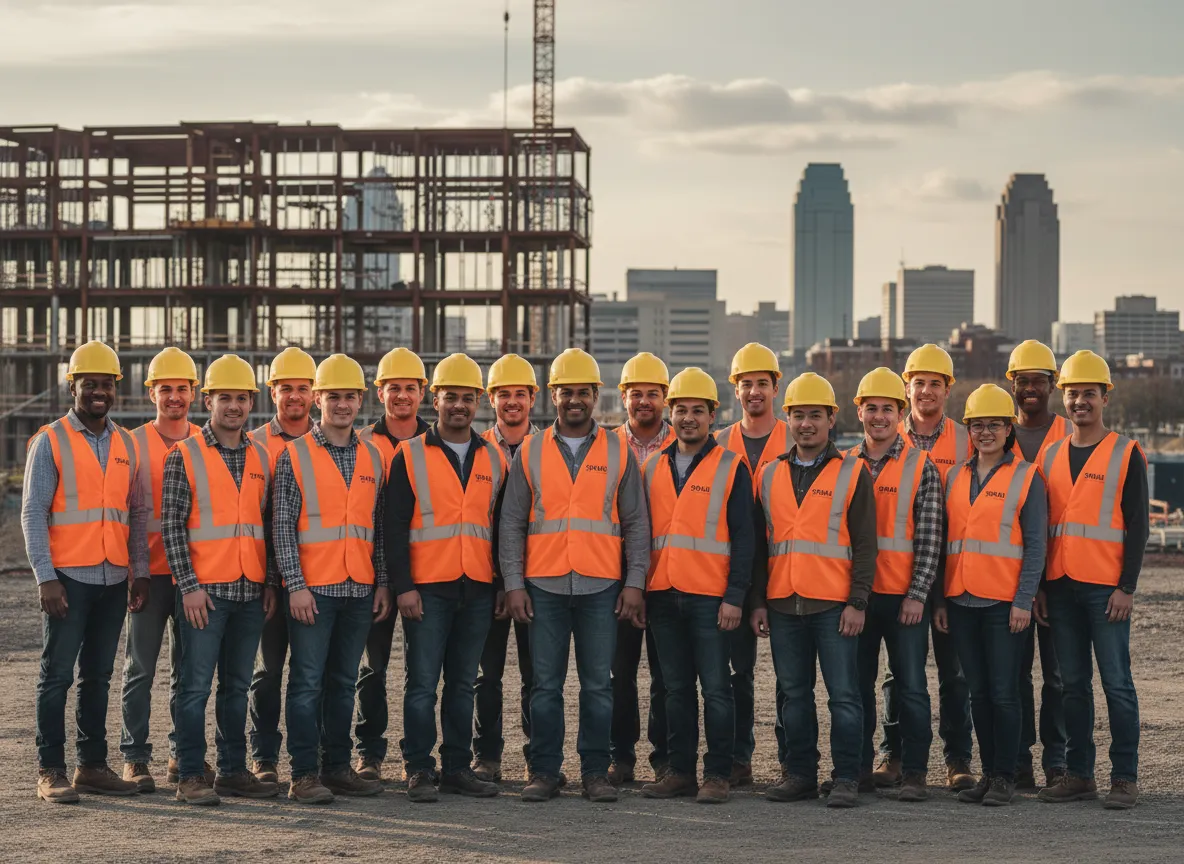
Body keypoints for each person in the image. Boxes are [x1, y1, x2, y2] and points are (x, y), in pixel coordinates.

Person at [500, 348, 649, 803]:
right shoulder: (531, 449)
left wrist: (635, 582)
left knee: (597, 686)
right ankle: (544, 771)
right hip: (542, 585)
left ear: (595, 395)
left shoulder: (618, 450)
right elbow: (511, 522)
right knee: (544, 686)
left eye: (583, 393)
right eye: (567, 393)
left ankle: (594, 773)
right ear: (554, 396)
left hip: (600, 586)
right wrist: (513, 584)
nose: (575, 401)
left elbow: (637, 522)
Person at [24, 341, 149, 802]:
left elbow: (135, 513)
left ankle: (92, 766)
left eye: (106, 384)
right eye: (89, 383)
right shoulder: (51, 439)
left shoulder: (126, 443)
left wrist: (139, 571)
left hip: (114, 579)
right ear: (72, 385)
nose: (98, 391)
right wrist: (45, 576)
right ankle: (50, 768)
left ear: (116, 388)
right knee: (56, 674)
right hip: (68, 578)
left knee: (98, 675)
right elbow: (34, 511)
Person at [387, 353, 508, 802]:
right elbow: (394, 528)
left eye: (467, 397)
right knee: (421, 683)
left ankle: (457, 767)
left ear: (478, 401)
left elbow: (497, 530)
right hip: (427, 589)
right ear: (434, 399)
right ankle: (419, 768)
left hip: (476, 587)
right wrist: (404, 588)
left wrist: (498, 585)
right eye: (450, 396)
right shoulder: (409, 455)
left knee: (461, 684)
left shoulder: (494, 459)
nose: (459, 405)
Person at [751, 373, 875, 809]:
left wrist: (858, 601)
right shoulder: (768, 476)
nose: (806, 424)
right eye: (799, 415)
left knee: (844, 695)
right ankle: (800, 774)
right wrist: (759, 603)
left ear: (830, 419)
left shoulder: (852, 472)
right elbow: (759, 546)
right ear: (788, 419)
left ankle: (845, 778)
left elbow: (864, 544)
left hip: (834, 604)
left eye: (815, 416)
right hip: (784, 604)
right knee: (794, 695)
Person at [272, 354, 391, 803]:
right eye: (334, 396)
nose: (342, 405)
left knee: (343, 682)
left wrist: (381, 582)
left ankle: (337, 767)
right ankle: (304, 774)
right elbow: (282, 527)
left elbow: (376, 528)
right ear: (318, 398)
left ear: (360, 400)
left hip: (358, 589)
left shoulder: (373, 457)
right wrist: (295, 585)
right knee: (306, 682)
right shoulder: (294, 455)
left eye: (350, 397)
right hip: (313, 591)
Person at [165, 354, 279, 805]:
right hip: (204, 594)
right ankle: (190, 775)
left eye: (241, 398)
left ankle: (232, 771)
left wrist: (268, 583)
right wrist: (188, 587)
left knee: (236, 687)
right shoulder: (185, 455)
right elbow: (172, 525)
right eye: (225, 397)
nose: (233, 406)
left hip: (249, 591)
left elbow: (265, 524)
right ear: (207, 400)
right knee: (194, 687)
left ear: (251, 402)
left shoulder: (261, 457)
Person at [1037, 350, 1148, 810]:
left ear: (1104, 397)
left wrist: (1127, 586)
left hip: (1106, 589)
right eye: (1073, 393)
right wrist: (1041, 586)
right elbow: (1041, 526)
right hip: (1060, 585)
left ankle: (1124, 778)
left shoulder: (1126, 452)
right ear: (1062, 397)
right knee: (1072, 685)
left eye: (1088, 393)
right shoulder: (1051, 453)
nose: (1080, 401)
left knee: (1117, 682)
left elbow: (1138, 524)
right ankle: (1079, 774)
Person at [638, 367, 752, 804]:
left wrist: (734, 597)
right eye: (681, 410)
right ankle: (680, 772)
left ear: (712, 415)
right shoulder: (652, 467)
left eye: (698, 411)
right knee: (675, 689)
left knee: (717, 689)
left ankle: (718, 775)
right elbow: (643, 534)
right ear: (671, 414)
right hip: (664, 595)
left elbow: (744, 538)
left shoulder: (731, 466)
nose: (689, 418)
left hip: (712, 598)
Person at [935, 384, 1046, 807]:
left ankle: (1006, 776)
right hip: (960, 601)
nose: (985, 432)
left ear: (1008, 429)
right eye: (977, 425)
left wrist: (1023, 600)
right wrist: (942, 600)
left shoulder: (1026, 477)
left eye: (994, 425)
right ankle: (987, 773)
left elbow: (1035, 545)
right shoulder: (954, 476)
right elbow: (949, 541)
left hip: (1003, 604)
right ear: (968, 429)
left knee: (1004, 692)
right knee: (976, 692)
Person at [876, 344, 975, 792]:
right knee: (900, 674)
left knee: (955, 672)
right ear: (907, 387)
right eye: (919, 383)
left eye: (936, 383)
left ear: (948, 389)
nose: (927, 391)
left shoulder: (968, 439)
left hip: (956, 574)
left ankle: (957, 759)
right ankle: (892, 756)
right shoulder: (884, 433)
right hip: (901, 576)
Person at [848, 368, 942, 802]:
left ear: (900, 413)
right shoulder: (844, 464)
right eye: (872, 409)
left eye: (888, 409)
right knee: (857, 687)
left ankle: (915, 773)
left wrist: (918, 594)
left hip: (904, 600)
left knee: (911, 687)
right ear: (860, 413)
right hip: (858, 600)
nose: (880, 417)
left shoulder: (922, 467)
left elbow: (929, 538)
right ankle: (860, 770)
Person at [120, 347, 204, 793]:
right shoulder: (132, 444)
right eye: (166, 388)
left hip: (195, 577)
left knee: (188, 673)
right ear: (152, 392)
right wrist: (135, 572)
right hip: (149, 576)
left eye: (182, 389)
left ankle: (179, 754)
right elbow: (127, 512)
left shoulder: (204, 443)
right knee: (140, 670)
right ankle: (135, 757)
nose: (175, 397)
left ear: (193, 393)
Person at [713, 342, 793, 786]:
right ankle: (739, 757)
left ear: (776, 388)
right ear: (736, 391)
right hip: (734, 578)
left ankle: (787, 759)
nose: (755, 391)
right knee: (735, 673)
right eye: (747, 384)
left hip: (787, 574)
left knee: (789, 676)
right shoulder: (720, 442)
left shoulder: (793, 435)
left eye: (763, 383)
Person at [355, 346, 430, 782]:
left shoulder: (436, 444)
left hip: (427, 574)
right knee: (373, 668)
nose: (402, 395)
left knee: (423, 673)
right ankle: (369, 753)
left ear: (422, 393)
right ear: (378, 392)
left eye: (410, 388)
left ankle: (418, 757)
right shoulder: (362, 444)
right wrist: (383, 578)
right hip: (373, 576)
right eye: (393, 388)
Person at [247, 345, 318, 785]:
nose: (295, 396)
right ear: (272, 392)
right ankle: (264, 757)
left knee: (316, 676)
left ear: (315, 394)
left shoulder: (334, 441)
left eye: (303, 388)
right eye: (286, 387)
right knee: (268, 672)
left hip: (322, 579)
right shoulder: (253, 444)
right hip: (266, 581)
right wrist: (270, 579)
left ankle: (318, 760)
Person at [473, 354, 541, 783]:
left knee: (539, 675)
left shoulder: (549, 449)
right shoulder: (477, 450)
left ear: (533, 399)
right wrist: (500, 581)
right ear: (491, 399)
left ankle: (538, 757)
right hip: (485, 580)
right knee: (487, 675)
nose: (512, 402)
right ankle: (487, 757)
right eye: (503, 395)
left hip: (538, 579)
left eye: (520, 394)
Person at [610, 352, 676, 786]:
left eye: (653, 394)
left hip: (672, 576)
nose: (645, 401)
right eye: (637, 394)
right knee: (619, 673)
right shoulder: (607, 446)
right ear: (624, 398)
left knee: (667, 675)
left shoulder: (688, 443)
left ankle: (665, 758)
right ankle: (621, 758)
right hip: (616, 578)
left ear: (665, 398)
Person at [1006, 340, 1070, 789]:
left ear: (1052, 385)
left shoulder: (1070, 433)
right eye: (1022, 381)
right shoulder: (994, 431)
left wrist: (1044, 584)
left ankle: (1057, 759)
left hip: (1058, 578)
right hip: (1006, 578)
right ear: (1012, 384)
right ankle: (1020, 759)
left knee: (1058, 677)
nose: (1031, 388)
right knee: (1012, 675)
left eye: (1039, 381)